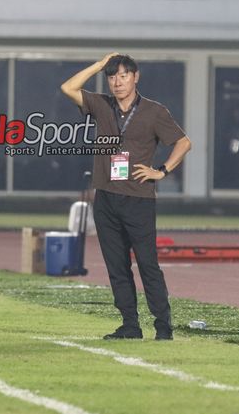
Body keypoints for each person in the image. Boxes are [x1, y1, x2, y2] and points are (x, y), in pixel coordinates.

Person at [61, 53, 192, 340]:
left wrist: (162, 170)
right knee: (116, 266)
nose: (117, 82)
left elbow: (184, 142)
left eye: (123, 75)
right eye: (112, 76)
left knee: (147, 264)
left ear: (135, 77)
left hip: (138, 199)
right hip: (106, 197)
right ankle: (130, 325)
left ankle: (163, 326)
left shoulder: (154, 111)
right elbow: (68, 88)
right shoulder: (101, 105)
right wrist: (97, 64)